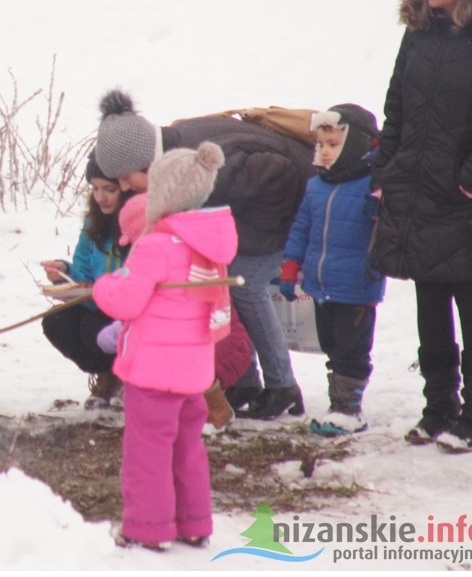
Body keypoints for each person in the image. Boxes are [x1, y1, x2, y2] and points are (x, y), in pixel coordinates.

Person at [94, 88, 312, 419]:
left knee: (245, 284)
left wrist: (249, 241)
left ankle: (283, 386)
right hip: (271, 216)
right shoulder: (174, 154)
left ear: (145, 160)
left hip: (302, 210)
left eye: (126, 178)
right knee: (222, 280)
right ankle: (245, 382)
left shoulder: (205, 161)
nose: (125, 188)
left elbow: (279, 173)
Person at [370, 0, 472, 452]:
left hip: (470, 198)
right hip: (418, 189)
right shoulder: (419, 31)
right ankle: (437, 408)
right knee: (429, 303)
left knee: (471, 301)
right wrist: (386, 174)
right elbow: (396, 109)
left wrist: (470, 180)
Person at [93, 142, 237, 551]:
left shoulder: (155, 245)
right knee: (187, 446)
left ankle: (148, 527)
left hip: (153, 371)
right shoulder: (208, 245)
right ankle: (193, 522)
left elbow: (126, 300)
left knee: (147, 451)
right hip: (193, 372)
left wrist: (105, 285)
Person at [95, 193, 254, 430]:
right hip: (219, 343)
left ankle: (212, 410)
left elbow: (144, 310)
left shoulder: (155, 253)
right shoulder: (188, 248)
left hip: (216, 351)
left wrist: (105, 286)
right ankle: (193, 416)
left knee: (165, 359)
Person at [279, 104, 386, 437]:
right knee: (332, 346)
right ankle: (337, 403)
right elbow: (301, 227)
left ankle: (348, 409)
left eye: (333, 144)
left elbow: (393, 228)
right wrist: (290, 268)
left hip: (356, 284)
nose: (324, 152)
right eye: (321, 144)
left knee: (352, 350)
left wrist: (381, 211)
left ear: (354, 145)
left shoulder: (375, 183)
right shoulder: (317, 185)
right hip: (321, 284)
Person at [39, 154, 128, 408]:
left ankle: (130, 375)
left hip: (131, 311)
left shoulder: (138, 223)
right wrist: (64, 273)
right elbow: (84, 276)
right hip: (99, 305)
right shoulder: (93, 224)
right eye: (95, 189)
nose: (101, 197)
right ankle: (108, 371)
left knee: (93, 326)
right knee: (57, 321)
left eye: (109, 189)